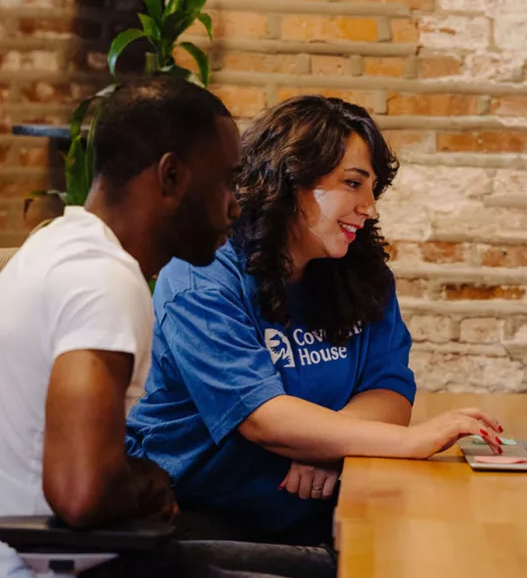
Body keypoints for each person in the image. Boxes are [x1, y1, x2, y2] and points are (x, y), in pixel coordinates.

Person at [0, 77, 336, 578]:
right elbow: (81, 493)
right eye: (225, 183)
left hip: (89, 556)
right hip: (58, 577)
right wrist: (144, 483)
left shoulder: (64, 245)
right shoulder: (100, 279)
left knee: (351, 572)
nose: (236, 207)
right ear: (171, 176)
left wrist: (136, 477)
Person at [125, 95, 506, 546]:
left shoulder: (362, 274)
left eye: (372, 188)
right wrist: (410, 441)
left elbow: (390, 390)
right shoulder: (200, 277)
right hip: (197, 516)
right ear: (291, 179)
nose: (370, 207)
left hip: (320, 511)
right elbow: (261, 417)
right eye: (352, 183)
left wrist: (331, 444)